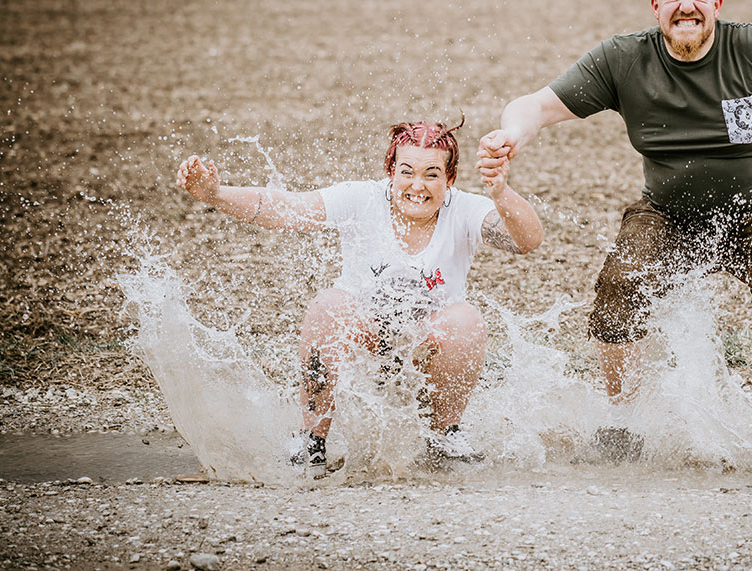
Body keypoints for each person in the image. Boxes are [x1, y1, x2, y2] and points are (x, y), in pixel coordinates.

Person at [478, 0, 752, 461]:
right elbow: (535, 105)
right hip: (668, 211)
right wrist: (511, 133)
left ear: (716, 3)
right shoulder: (623, 59)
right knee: (619, 286)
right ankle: (621, 426)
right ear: (655, 7)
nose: (686, 5)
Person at [176, 116, 542, 477]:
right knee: (329, 306)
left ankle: (445, 435)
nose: (418, 185)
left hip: (427, 345)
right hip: (365, 337)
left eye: (431, 174)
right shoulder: (363, 198)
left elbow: (528, 240)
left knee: (465, 320)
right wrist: (215, 195)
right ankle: (311, 437)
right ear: (391, 171)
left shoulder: (462, 208)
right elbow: (285, 209)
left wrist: (500, 193)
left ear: (449, 178)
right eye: (407, 172)